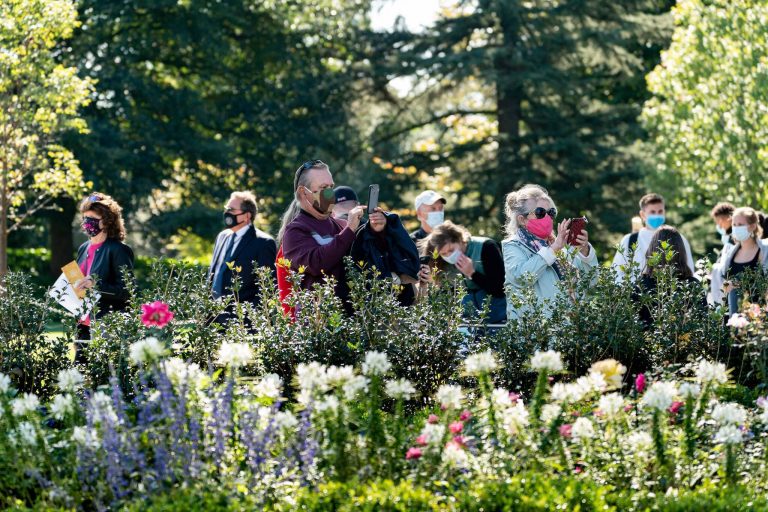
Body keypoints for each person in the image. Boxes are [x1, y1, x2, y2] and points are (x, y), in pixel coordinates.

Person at [280, 159, 373, 309]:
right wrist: (349, 230)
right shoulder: (295, 231)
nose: (330, 193)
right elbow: (317, 264)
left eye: (331, 186)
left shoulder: (340, 225)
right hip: (318, 323)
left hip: (350, 318)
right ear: (303, 192)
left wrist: (377, 229)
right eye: (323, 188)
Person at [502, 184, 598, 321]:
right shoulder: (513, 246)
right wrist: (553, 250)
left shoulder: (560, 247)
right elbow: (520, 278)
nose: (547, 218)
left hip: (569, 331)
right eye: (540, 212)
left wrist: (584, 251)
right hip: (534, 334)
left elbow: (591, 282)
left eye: (551, 213)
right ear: (522, 219)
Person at [74, 193, 134, 344]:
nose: (87, 223)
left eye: (92, 220)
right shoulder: (83, 248)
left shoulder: (119, 250)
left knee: (105, 367)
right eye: (85, 218)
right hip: (82, 323)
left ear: (107, 222)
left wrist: (96, 285)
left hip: (107, 324)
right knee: (78, 367)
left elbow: (127, 291)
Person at [419, 221, 506, 323]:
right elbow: (444, 295)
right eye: (444, 253)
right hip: (465, 322)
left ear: (460, 240)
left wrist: (472, 274)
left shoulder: (486, 247)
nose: (448, 255)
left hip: (497, 318)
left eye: (451, 250)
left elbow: (500, 289)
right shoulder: (441, 261)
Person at [209, 191, 276, 311]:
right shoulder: (222, 236)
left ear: (247, 216)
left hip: (241, 321)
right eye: (226, 209)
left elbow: (268, 287)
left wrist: (247, 316)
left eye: (231, 209)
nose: (227, 213)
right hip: (212, 316)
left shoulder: (263, 243)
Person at [633, 226, 706, 329]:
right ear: (680, 251)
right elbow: (703, 323)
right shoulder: (693, 284)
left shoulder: (641, 285)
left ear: (652, 250)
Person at [612, 193, 694, 282]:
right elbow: (617, 273)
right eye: (652, 212)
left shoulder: (678, 238)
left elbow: (688, 269)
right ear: (642, 215)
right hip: (638, 293)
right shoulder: (629, 240)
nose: (657, 215)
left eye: (660, 211)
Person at [709, 207, 768, 316]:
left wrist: (738, 285)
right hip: (734, 317)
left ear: (753, 226)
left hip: (759, 318)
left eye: (740, 225)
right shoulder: (730, 253)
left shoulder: (765, 251)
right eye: (734, 225)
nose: (736, 228)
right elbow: (723, 284)